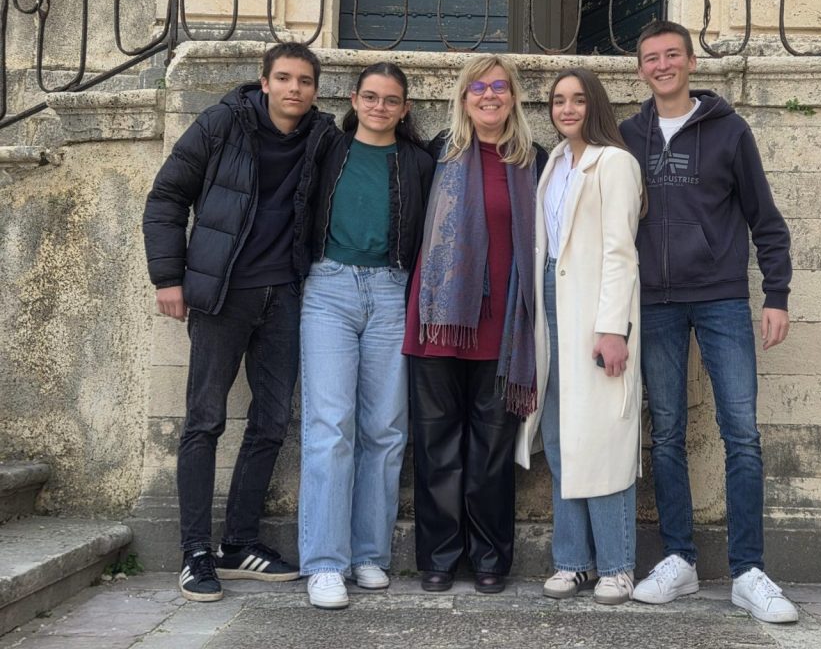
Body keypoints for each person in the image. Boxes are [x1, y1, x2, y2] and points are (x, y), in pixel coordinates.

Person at [143, 42, 336, 602]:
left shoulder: (322, 136)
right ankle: (195, 552)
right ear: (264, 80)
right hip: (222, 296)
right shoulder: (222, 124)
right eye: (285, 78)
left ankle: (239, 543)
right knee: (204, 421)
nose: (294, 88)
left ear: (315, 89)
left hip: (286, 297)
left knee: (271, 422)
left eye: (305, 81)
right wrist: (168, 278)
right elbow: (167, 197)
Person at [620, 20, 798, 622]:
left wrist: (776, 294)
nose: (662, 65)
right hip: (654, 302)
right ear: (640, 69)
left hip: (721, 297)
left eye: (673, 54)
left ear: (691, 62)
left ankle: (748, 571)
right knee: (666, 432)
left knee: (741, 433)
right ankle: (679, 560)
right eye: (651, 57)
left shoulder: (730, 131)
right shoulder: (628, 136)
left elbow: (765, 219)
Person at [403, 54, 545, 595]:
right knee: (435, 445)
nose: (489, 96)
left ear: (513, 97)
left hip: (505, 328)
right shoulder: (437, 154)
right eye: (478, 87)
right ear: (463, 98)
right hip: (438, 323)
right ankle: (438, 557)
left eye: (499, 87)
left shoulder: (534, 160)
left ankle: (490, 558)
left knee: (491, 451)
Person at [299, 63, 434, 609]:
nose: (380, 107)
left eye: (391, 100)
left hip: (392, 292)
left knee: (385, 428)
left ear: (405, 109)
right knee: (330, 426)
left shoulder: (418, 162)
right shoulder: (326, 147)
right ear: (354, 100)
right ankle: (324, 564)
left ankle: (369, 555)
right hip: (328, 289)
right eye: (371, 97)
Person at [515, 69, 644, 606]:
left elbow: (620, 250)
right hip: (551, 306)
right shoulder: (555, 163)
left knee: (604, 436)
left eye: (577, 99)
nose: (566, 109)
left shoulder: (614, 162)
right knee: (562, 436)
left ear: (596, 105)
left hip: (594, 309)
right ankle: (572, 562)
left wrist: (612, 327)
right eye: (557, 100)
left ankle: (617, 565)